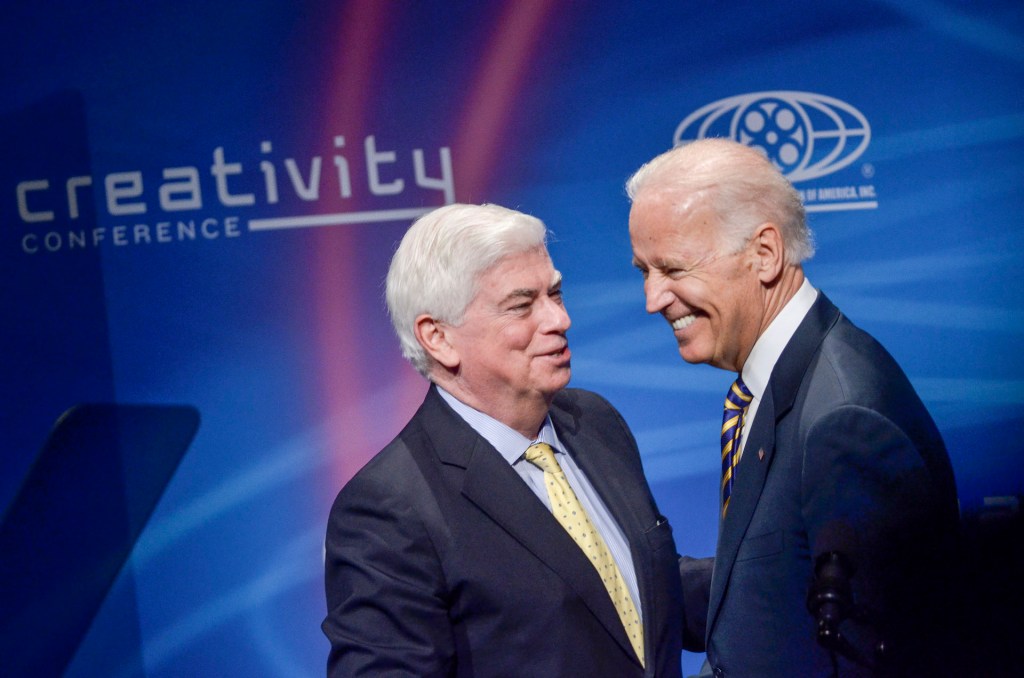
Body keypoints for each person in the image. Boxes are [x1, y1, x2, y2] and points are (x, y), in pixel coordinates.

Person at [322, 203, 706, 677]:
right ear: (437, 337)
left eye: (556, 294)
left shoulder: (594, 421)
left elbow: (634, 587)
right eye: (522, 305)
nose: (558, 320)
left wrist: (780, 571)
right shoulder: (388, 506)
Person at [626, 139, 960, 677]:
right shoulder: (774, 383)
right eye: (643, 270)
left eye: (673, 268)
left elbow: (869, 657)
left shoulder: (845, 421)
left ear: (765, 254)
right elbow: (776, 587)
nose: (652, 298)